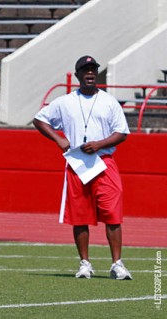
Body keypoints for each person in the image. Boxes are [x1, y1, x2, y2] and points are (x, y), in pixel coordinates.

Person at [33, 55, 132, 280]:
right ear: (77, 75)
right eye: (85, 70)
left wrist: (99, 144)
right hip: (77, 163)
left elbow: (122, 133)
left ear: (97, 74)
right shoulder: (65, 101)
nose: (90, 73)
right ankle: (85, 263)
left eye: (93, 70)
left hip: (104, 162)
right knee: (80, 215)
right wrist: (58, 140)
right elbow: (39, 119)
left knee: (112, 214)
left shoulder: (109, 101)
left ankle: (117, 263)